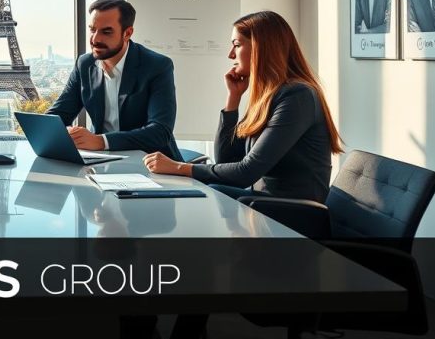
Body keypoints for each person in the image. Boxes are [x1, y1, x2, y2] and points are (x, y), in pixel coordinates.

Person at [144, 10, 341, 203]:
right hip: (263, 201)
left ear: (261, 48)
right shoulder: (268, 96)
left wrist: (178, 167)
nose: (231, 55)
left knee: (211, 192)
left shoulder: (297, 96)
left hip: (293, 210)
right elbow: (226, 160)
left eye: (237, 45)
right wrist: (233, 98)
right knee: (209, 191)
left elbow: (246, 172)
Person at [46, 0, 180, 159]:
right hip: (101, 161)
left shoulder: (157, 66)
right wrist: (59, 131)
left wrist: (100, 141)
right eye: (92, 30)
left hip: (152, 162)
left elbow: (160, 132)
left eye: (106, 32)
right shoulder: (85, 64)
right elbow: (59, 114)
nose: (95, 39)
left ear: (127, 33)